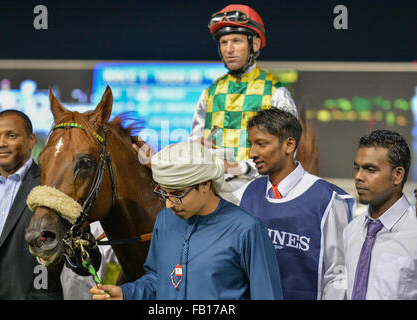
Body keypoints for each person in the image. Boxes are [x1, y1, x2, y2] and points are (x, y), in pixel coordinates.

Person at [91, 141, 283, 300]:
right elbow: (158, 279)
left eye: (177, 194)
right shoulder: (165, 220)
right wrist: (125, 293)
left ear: (205, 184)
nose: (169, 204)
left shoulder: (246, 230)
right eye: (163, 193)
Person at [0, 109, 96, 299]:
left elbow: (89, 264)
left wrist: (74, 246)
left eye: (11, 135)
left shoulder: (53, 188)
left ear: (31, 140)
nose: (1, 143)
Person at [234, 108, 355, 299]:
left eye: (261, 144)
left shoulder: (328, 200)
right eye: (251, 144)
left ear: (289, 145)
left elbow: (338, 275)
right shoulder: (244, 195)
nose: (252, 153)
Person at [190, 4, 298, 185]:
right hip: (213, 191)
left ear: (254, 44)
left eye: (236, 41)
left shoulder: (276, 93)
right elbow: (195, 144)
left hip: (258, 190)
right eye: (224, 43)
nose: (229, 49)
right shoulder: (209, 94)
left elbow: (286, 152)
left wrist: (239, 168)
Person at [344, 129, 417, 299]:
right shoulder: (351, 231)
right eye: (357, 168)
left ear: (397, 175)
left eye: (370, 169)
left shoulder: (414, 233)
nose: (358, 177)